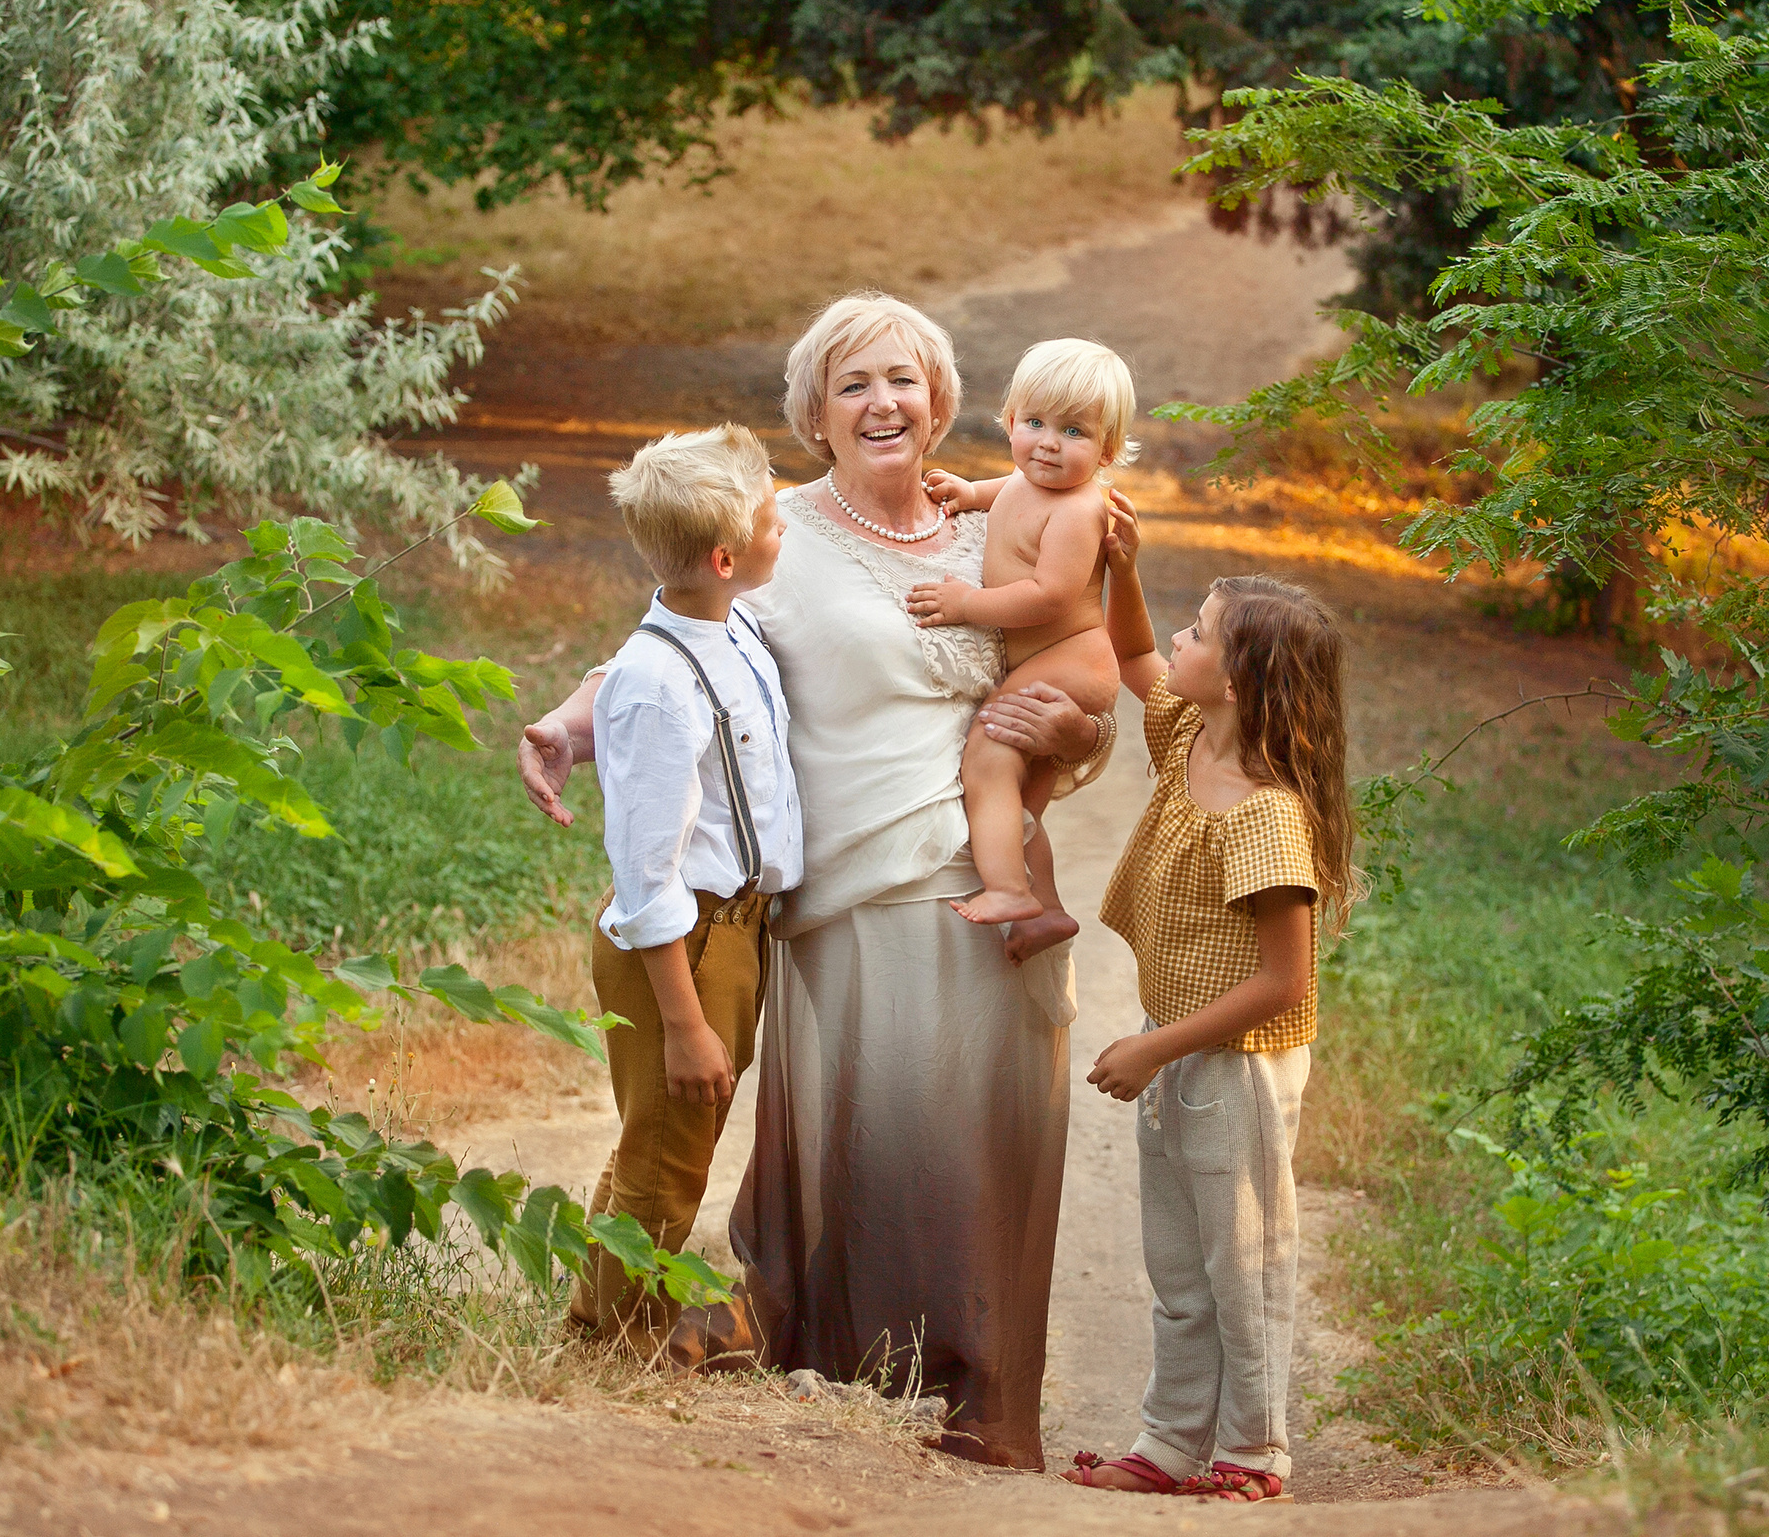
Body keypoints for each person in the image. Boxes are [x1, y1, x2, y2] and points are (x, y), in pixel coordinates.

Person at [517, 294, 1118, 1468]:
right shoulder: (776, 532)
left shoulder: (996, 531)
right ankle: (810, 1357)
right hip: (848, 897)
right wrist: (565, 718)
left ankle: (989, 1407)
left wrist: (1077, 735)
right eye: (852, 385)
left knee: (991, 1150)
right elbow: (671, 642)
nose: (883, 403)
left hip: (989, 886)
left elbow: (1083, 672)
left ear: (942, 402)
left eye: (903, 379)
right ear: (813, 415)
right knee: (874, 1154)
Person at [1061, 554, 1365, 1504]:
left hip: (1240, 1067)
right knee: (1179, 1260)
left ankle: (1256, 1448)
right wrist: (1122, 566)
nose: (1179, 643)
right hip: (1182, 1042)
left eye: (1201, 633)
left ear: (1238, 679)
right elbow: (1134, 648)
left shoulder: (1267, 816)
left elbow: (1285, 980)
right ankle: (1170, 1439)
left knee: (1245, 1261)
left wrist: (1154, 1047)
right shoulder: (1191, 728)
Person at [520, 424, 801, 1354]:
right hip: (678, 951)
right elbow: (647, 879)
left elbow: (626, 674)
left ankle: (610, 1314)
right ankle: (611, 1341)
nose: (783, 513)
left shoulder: (727, 618)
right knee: (667, 1152)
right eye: (771, 511)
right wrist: (684, 1021)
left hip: (735, 933)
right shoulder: (654, 685)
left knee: (664, 1141)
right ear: (725, 556)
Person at [907, 338, 1134, 942]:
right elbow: (1004, 491)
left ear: (1107, 449)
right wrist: (966, 492)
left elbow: (1050, 596)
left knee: (985, 758)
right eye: (1034, 423)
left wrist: (967, 605)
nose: (1049, 443)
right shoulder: (1027, 481)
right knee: (1022, 802)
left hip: (1071, 661)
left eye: (1074, 432)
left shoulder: (1083, 509)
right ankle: (1049, 909)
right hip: (1056, 663)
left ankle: (1007, 888)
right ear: (1010, 422)